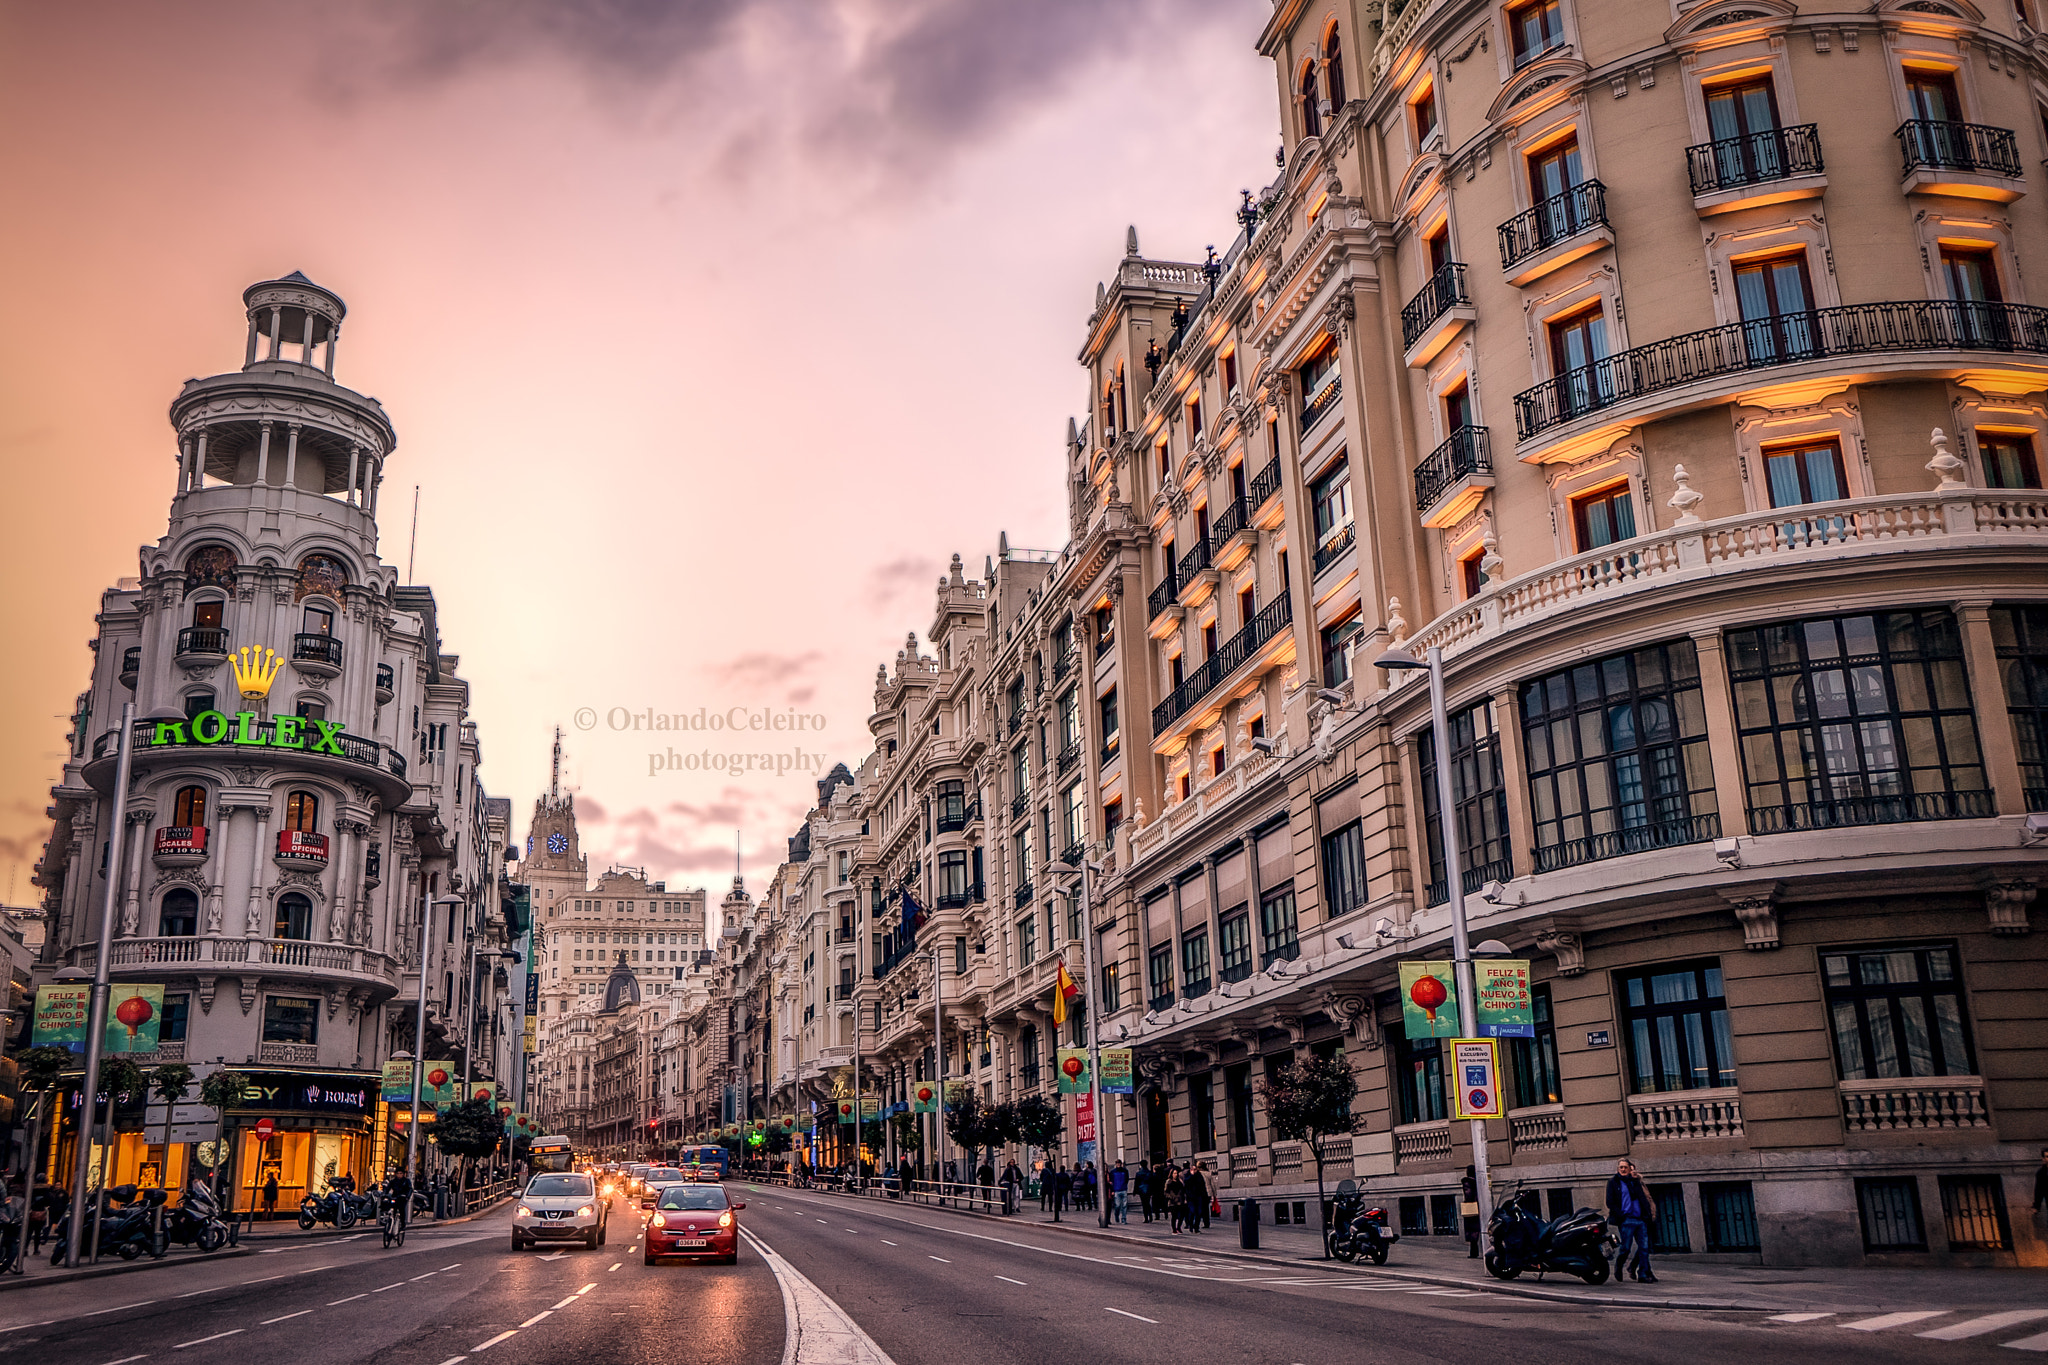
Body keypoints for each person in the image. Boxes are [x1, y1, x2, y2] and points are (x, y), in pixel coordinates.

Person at [1605, 1158, 1658, 1283]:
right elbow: (1610, 1202)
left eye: (1625, 1167)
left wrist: (1647, 1216)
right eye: (1621, 1167)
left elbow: (1644, 1198)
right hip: (1626, 1219)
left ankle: (1643, 1274)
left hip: (1640, 1219)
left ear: (1630, 1169)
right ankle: (1619, 1265)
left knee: (1644, 1248)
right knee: (1626, 1248)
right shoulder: (1613, 1182)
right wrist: (1621, 1215)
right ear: (1618, 1169)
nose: (1623, 1169)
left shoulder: (1635, 1182)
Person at [1461, 1166, 1481, 1258]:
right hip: (1477, 1206)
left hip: (1471, 1207)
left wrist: (1468, 1202)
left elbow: (1468, 1195)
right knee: (1475, 1229)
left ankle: (1473, 1252)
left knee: (1472, 1230)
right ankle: (1474, 1251)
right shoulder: (1476, 1182)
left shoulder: (1467, 1183)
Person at [1184, 1161, 1209, 1232]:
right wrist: (1191, 1175)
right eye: (1192, 1169)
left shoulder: (1199, 1175)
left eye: (1195, 1169)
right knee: (1192, 1211)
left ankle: (1196, 1227)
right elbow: (1186, 1183)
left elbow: (1203, 1186)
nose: (1194, 1171)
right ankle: (1191, 1225)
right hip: (1190, 1197)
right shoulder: (1188, 1175)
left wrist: (1205, 1195)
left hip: (1198, 1196)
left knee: (1199, 1212)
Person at [1164, 1164, 1185, 1233]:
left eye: (1176, 1173)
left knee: (1181, 1215)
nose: (1176, 1175)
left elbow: (1183, 1190)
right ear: (1172, 1174)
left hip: (1180, 1200)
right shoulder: (1169, 1182)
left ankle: (1179, 1227)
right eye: (1174, 1173)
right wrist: (1171, 1197)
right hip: (1172, 1201)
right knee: (1174, 1216)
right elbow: (1166, 1192)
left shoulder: (1180, 1181)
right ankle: (1174, 1229)